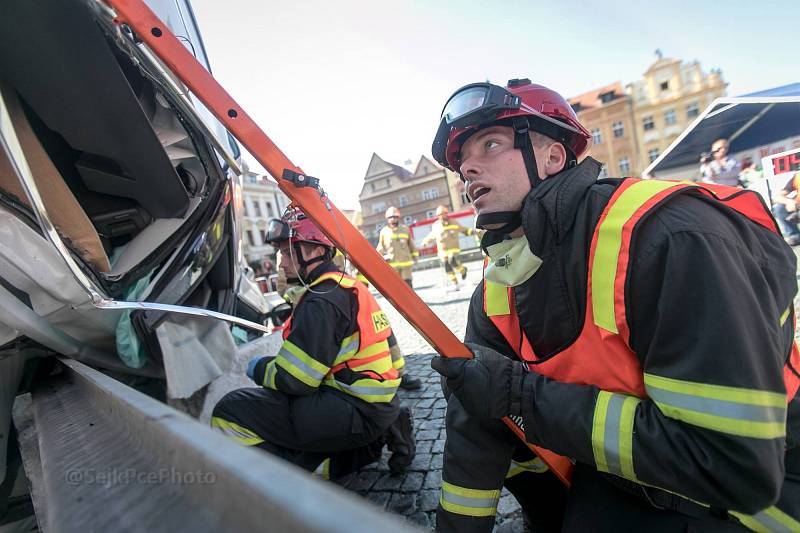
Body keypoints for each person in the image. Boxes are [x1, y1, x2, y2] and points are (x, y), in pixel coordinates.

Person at [428, 78, 800, 532]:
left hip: (760, 491)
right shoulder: (495, 289)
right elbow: (478, 416)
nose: (468, 168)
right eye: (461, 161)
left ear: (552, 156)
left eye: (490, 144)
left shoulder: (669, 238)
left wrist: (523, 396)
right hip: (633, 469)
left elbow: (733, 465)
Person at [211, 208, 415, 479]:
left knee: (229, 410)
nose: (281, 263)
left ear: (312, 251)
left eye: (285, 252)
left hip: (351, 410)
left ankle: (286, 482)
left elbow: (296, 380)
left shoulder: (321, 300)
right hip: (379, 406)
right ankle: (373, 439)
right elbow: (395, 360)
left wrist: (258, 368)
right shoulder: (349, 287)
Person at [421, 205, 474, 289]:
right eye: (439, 215)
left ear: (447, 214)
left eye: (443, 214)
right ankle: (455, 282)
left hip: (454, 249)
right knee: (447, 266)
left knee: (452, 261)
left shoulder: (454, 222)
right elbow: (431, 235)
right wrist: (425, 242)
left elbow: (463, 229)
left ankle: (463, 270)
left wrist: (472, 232)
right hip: (442, 251)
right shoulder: (436, 225)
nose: (442, 216)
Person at [376, 206, 418, 288]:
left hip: (406, 264)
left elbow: (411, 245)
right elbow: (380, 247)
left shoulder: (405, 229)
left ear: (398, 218)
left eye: (395, 217)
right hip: (392, 265)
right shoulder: (384, 232)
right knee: (397, 287)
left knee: (408, 285)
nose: (393, 219)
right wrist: (377, 258)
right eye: (391, 217)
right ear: (387, 219)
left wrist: (415, 257)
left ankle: (409, 301)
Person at [772, 171, 800, 246]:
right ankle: (794, 235)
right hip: (796, 208)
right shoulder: (797, 177)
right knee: (779, 208)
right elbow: (777, 197)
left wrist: (797, 206)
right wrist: (789, 202)